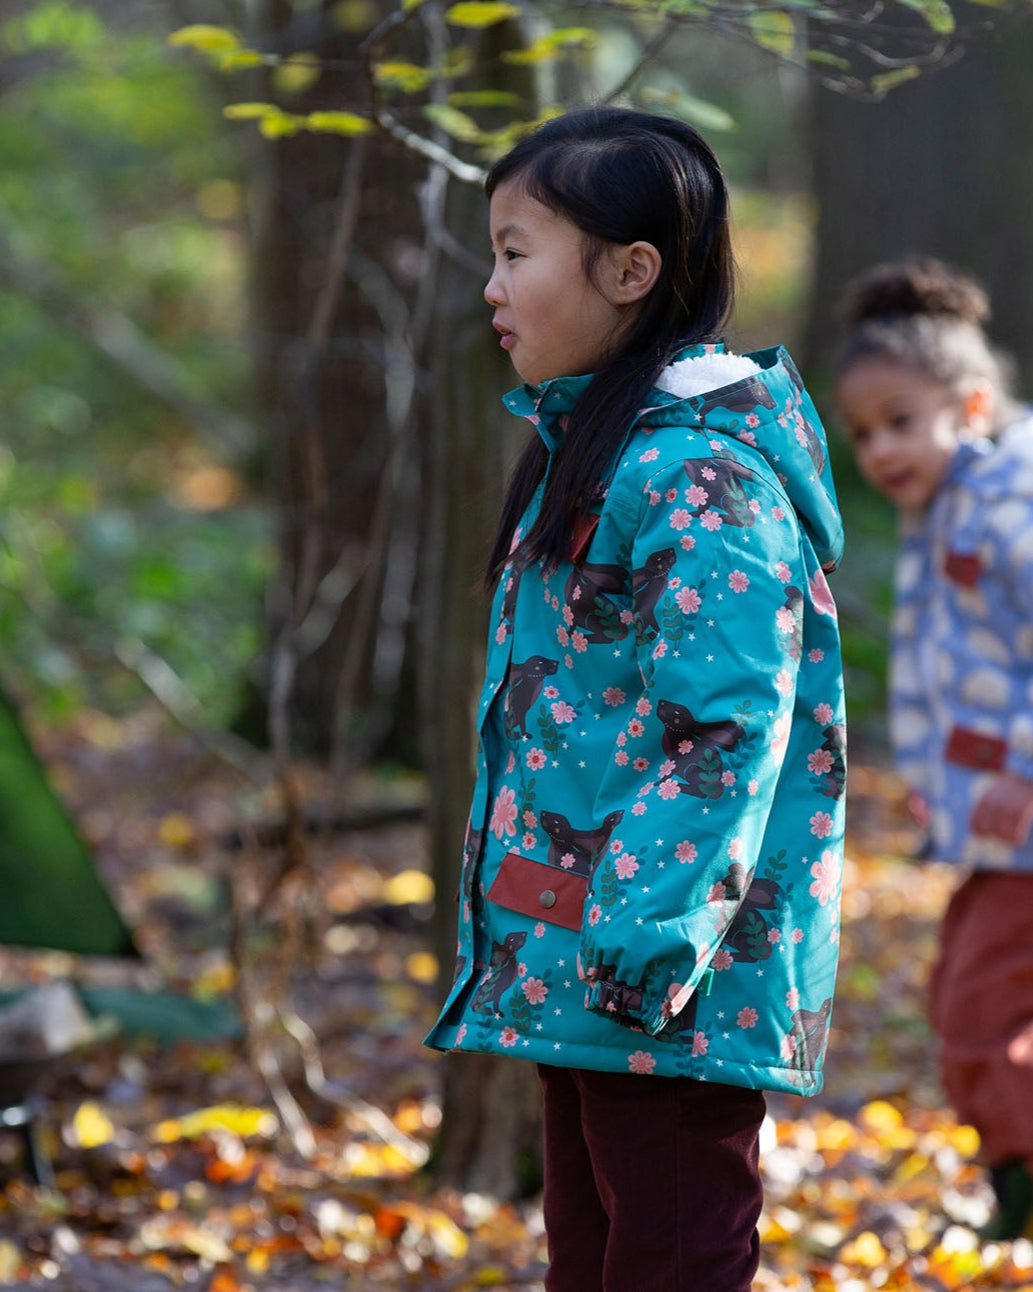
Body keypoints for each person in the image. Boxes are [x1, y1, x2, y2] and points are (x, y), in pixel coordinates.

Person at [425, 107, 847, 1292]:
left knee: (670, 1249)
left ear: (628, 270)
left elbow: (726, 727)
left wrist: (649, 936)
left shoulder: (698, 475)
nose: (492, 284)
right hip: (585, 953)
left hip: (663, 967)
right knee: (593, 1249)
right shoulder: (595, 451)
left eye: (516, 251)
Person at [835, 257, 1033, 1242]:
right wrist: (937, 781)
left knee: (974, 1003)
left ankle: (1022, 1174)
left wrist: (1017, 766)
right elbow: (948, 667)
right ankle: (1011, 1169)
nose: (879, 448)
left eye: (900, 420)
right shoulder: (940, 511)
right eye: (863, 431)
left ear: (973, 402)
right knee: (962, 990)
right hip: (993, 832)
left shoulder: (1009, 503)